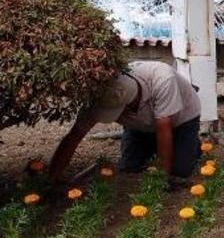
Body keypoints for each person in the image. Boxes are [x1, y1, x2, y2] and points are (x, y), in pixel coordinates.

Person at [49, 61, 202, 182]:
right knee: (130, 166)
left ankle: (192, 146)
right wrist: (52, 177)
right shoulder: (102, 94)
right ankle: (154, 146)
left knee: (180, 170)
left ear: (129, 105)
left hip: (181, 120)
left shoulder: (163, 79)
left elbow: (164, 129)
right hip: (141, 126)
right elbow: (74, 136)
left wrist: (162, 178)